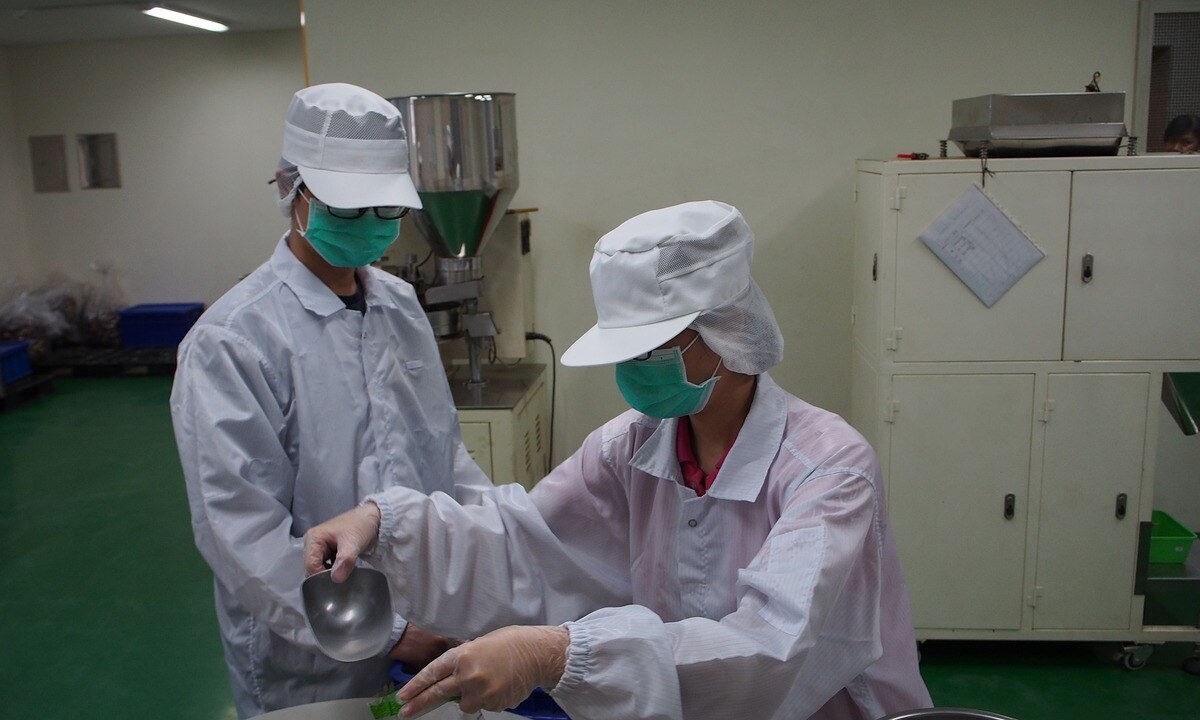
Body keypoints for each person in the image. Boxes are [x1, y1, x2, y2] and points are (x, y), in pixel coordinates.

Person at [303, 201, 932, 720]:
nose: (634, 370)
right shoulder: (634, 443)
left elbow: (770, 648)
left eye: (653, 348)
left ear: (726, 329)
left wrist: (559, 654)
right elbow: (522, 539)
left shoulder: (829, 467)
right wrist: (385, 523)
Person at [170, 83, 491, 719]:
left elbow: (445, 458)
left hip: (431, 622)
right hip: (308, 656)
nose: (372, 225)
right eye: (350, 209)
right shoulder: (232, 341)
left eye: (384, 210)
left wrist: (495, 561)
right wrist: (391, 632)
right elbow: (242, 532)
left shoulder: (400, 307)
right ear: (293, 192)